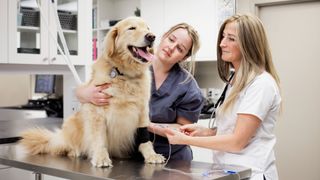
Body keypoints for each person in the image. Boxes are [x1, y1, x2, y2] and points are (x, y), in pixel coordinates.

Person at [164, 14, 281, 180]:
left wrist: (183, 140)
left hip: (251, 172)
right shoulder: (235, 80)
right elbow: (231, 128)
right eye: (223, 36)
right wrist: (205, 132)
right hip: (229, 171)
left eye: (231, 38)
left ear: (249, 44)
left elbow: (237, 141)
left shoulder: (261, 84)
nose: (222, 44)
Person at [76, 23, 205, 161]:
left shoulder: (188, 87)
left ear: (184, 58)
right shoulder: (129, 62)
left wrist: (143, 124)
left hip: (171, 159)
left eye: (180, 48)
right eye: (171, 39)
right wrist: (84, 94)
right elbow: (88, 90)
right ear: (163, 37)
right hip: (128, 157)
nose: (171, 48)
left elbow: (184, 130)